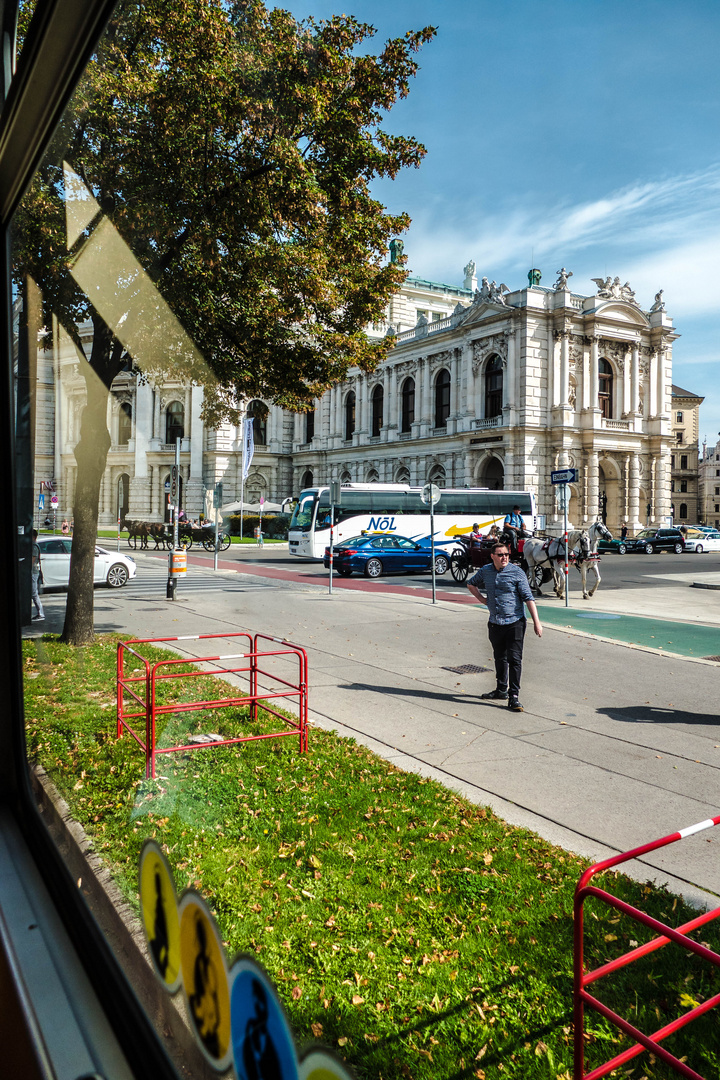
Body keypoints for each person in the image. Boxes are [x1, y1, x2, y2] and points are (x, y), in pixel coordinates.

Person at [467, 542, 542, 713]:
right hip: (495, 623)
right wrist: (483, 600)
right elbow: (471, 584)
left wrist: (536, 622)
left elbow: (528, 598)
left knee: (514, 659)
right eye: (500, 555)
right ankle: (501, 690)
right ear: (492, 556)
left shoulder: (517, 572)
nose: (504, 557)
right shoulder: (485, 571)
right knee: (499, 657)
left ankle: (514, 696)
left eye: (506, 554)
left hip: (515, 622)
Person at [31, 529, 45, 622]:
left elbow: (32, 560)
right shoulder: (33, 546)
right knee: (33, 593)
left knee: (34, 593)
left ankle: (41, 613)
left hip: (33, 572)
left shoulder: (34, 547)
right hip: (33, 572)